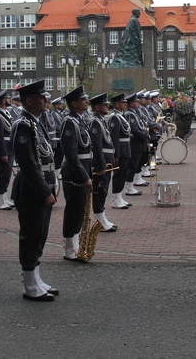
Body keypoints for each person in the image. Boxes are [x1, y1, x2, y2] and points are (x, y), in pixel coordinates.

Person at [11, 80, 58, 301]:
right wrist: (43, 191)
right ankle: (29, 285)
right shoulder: (23, 125)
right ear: (29, 101)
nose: (46, 101)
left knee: (39, 235)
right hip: (31, 189)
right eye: (42, 98)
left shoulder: (34, 123)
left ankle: (36, 279)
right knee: (30, 236)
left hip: (40, 186)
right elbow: (28, 163)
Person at [59, 85, 93, 261]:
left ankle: (75, 243)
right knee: (73, 210)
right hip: (74, 173)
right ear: (73, 103)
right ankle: (69, 248)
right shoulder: (69, 122)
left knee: (80, 210)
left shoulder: (79, 120)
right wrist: (84, 176)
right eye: (82, 99)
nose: (86, 101)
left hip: (83, 169)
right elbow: (71, 154)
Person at [88, 93, 117, 232]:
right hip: (102, 162)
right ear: (97, 107)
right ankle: (99, 218)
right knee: (100, 190)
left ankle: (102, 217)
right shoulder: (95, 121)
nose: (107, 106)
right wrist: (100, 165)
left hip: (107, 160)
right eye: (105, 104)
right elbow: (96, 144)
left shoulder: (100, 120)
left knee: (103, 190)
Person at [0, 90, 16, 210]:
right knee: (3, 175)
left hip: (9, 147)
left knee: (7, 175)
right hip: (4, 148)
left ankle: (5, 198)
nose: (9, 100)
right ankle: (0, 201)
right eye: (7, 98)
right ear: (3, 100)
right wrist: (3, 153)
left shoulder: (6, 114)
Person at [108, 93, 132, 209]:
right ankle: (115, 199)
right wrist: (116, 154)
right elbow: (114, 137)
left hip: (125, 148)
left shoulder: (121, 116)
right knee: (119, 175)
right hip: (120, 150)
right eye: (123, 102)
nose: (125, 104)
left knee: (123, 174)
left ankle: (119, 196)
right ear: (117, 104)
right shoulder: (114, 117)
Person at [124, 93, 148, 196]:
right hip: (135, 143)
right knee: (132, 165)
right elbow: (134, 129)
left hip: (139, 143)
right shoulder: (130, 114)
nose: (138, 103)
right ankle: (129, 187)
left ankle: (134, 182)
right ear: (131, 104)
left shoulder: (135, 113)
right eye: (136, 101)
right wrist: (144, 135)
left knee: (139, 162)